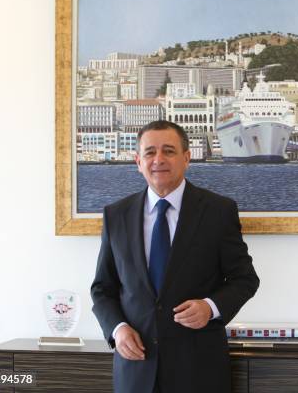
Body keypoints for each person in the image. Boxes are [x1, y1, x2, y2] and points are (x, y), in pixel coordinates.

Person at [91, 120, 259, 393]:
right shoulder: (116, 215)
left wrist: (210, 307)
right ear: (138, 161)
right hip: (136, 371)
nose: (158, 159)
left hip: (199, 371)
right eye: (149, 152)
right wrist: (118, 328)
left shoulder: (218, 211)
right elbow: (102, 289)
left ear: (186, 157)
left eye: (168, 151)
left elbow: (245, 279)